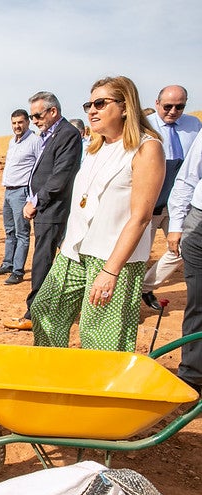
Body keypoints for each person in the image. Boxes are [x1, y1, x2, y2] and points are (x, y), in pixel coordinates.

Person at [31, 76, 164, 351]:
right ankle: (56, 380)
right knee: (46, 312)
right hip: (74, 252)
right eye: (89, 104)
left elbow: (140, 217)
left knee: (99, 336)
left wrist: (111, 271)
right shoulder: (96, 147)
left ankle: (100, 392)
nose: (92, 110)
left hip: (112, 258)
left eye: (100, 103)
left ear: (125, 106)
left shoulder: (146, 148)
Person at [3, 91, 82, 331]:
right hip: (46, 208)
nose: (34, 120)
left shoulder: (67, 135)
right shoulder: (50, 135)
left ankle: (34, 313)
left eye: (36, 116)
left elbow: (59, 177)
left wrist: (35, 202)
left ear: (53, 111)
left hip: (53, 209)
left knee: (43, 261)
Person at [141, 85, 201, 310]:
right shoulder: (146, 128)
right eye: (168, 106)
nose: (173, 111)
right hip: (150, 204)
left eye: (180, 106)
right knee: (139, 254)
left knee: (182, 249)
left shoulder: (194, 126)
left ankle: (146, 287)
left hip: (179, 205)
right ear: (157, 104)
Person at [167, 131, 202, 393]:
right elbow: (189, 176)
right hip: (198, 219)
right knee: (197, 301)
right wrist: (177, 224)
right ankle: (192, 376)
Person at [0, 110, 41, 285]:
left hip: (22, 192)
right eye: (14, 123)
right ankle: (8, 263)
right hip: (8, 191)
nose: (17, 126)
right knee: (9, 231)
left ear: (27, 122)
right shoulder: (12, 142)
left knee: (22, 233)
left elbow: (40, 168)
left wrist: (32, 197)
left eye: (20, 122)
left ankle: (18, 271)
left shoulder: (35, 141)